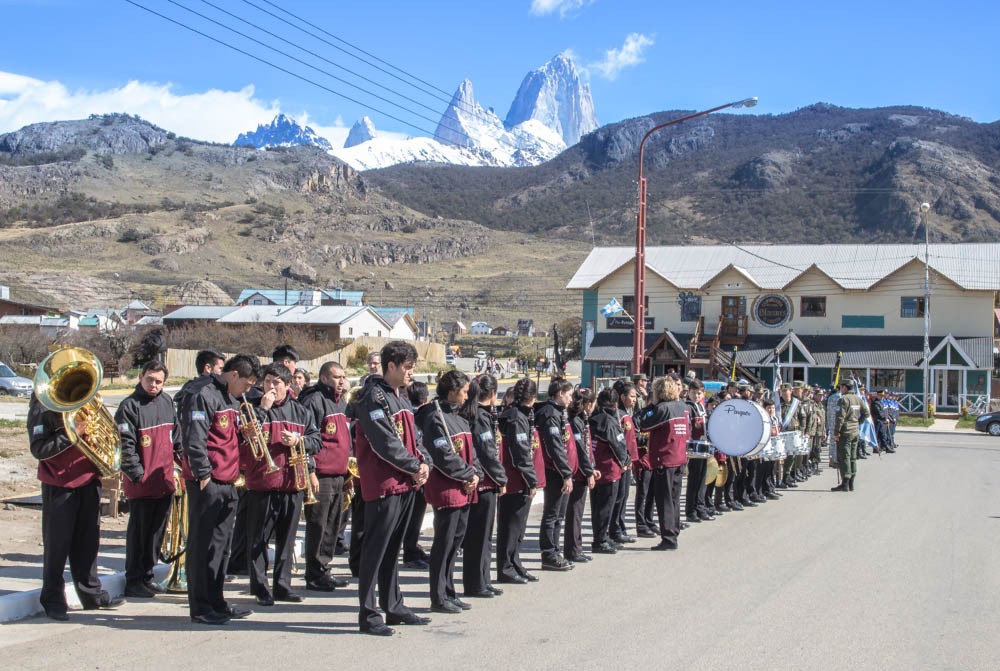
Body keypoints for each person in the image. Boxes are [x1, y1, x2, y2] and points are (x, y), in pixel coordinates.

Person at [354, 341, 430, 636]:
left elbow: (414, 439)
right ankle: (369, 614)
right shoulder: (372, 398)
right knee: (375, 551)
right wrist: (413, 466)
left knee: (392, 550)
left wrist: (423, 464)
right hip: (385, 486)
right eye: (408, 368)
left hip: (405, 484)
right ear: (391, 367)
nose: (413, 373)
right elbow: (384, 443)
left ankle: (393, 606)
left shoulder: (399, 397)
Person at [29, 389, 125, 621]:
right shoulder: (43, 404)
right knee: (57, 546)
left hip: (89, 480)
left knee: (88, 543)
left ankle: (91, 594)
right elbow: (38, 449)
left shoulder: (86, 401)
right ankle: (52, 599)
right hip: (59, 483)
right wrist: (72, 434)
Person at [179, 353, 260, 625]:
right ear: (233, 374)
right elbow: (195, 437)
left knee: (220, 547)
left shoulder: (231, 398)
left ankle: (217, 600)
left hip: (228, 480)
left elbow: (224, 435)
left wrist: (243, 435)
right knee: (202, 546)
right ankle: (201, 606)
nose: (248, 391)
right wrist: (203, 474)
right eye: (247, 384)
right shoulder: (202, 393)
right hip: (208, 482)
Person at [242, 363, 320, 606]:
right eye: (267, 382)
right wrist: (263, 409)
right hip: (262, 483)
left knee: (286, 538)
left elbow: (316, 441)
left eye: (276, 383)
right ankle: (260, 587)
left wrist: (299, 440)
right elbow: (247, 437)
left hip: (291, 482)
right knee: (258, 539)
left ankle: (282, 585)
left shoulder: (301, 412)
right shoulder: (253, 410)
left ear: (288, 386)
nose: (271, 387)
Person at [417, 371, 479, 614]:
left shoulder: (459, 417)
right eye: (464, 392)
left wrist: (475, 475)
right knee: (443, 544)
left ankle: (450, 591)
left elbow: (470, 452)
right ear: (452, 391)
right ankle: (438, 596)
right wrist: (467, 474)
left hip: (465, 487)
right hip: (447, 488)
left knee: (456, 544)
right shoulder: (435, 417)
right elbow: (443, 456)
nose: (466, 397)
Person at [116, 360, 179, 598]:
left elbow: (177, 437)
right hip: (141, 485)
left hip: (163, 482)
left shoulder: (166, 402)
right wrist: (138, 475)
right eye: (150, 379)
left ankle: (147, 575)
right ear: (141, 377)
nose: (154, 385)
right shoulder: (129, 407)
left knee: (156, 534)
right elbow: (125, 446)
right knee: (139, 534)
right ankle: (133, 579)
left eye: (159, 381)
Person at [298, 361, 352, 592]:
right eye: (336, 377)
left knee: (332, 525)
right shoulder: (314, 400)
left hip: (339, 474)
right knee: (318, 525)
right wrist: (310, 471)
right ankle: (313, 573)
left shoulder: (339, 402)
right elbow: (307, 439)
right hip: (321, 475)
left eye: (343, 376)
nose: (341, 381)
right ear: (323, 378)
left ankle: (323, 568)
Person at [461, 374, 507, 598]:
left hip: (486, 481)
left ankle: (483, 578)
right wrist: (501, 478)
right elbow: (487, 453)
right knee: (478, 536)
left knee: (485, 535)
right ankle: (475, 582)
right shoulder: (479, 416)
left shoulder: (483, 414)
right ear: (493, 394)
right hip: (484, 482)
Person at [496, 377, 542, 585]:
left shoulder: (523, 415)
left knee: (519, 526)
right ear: (532, 397)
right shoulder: (515, 417)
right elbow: (520, 452)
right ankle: (505, 567)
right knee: (510, 526)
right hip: (515, 479)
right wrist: (531, 479)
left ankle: (515, 562)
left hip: (520, 479)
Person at [639, 375, 690, 551]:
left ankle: (668, 537)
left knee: (665, 500)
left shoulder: (662, 409)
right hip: (679, 457)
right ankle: (673, 531)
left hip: (665, 459)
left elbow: (643, 424)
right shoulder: (683, 407)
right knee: (674, 499)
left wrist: (651, 406)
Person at [535, 376, 577, 571]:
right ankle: (549, 553)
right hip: (554, 471)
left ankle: (555, 550)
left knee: (559, 514)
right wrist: (566, 473)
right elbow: (554, 447)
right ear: (559, 394)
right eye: (568, 395)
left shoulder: (559, 413)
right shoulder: (549, 414)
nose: (571, 399)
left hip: (561, 470)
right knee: (552, 514)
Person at [588, 389, 627, 554]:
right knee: (606, 507)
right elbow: (618, 445)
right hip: (609, 469)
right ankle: (600, 540)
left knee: (597, 507)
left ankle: (601, 537)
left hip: (595, 467)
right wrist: (625, 461)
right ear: (615, 404)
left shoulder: (592, 418)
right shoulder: (610, 421)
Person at [402, 381, 432, 569]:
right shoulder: (423, 416)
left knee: (414, 515)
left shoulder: (412, 414)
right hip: (416, 470)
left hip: (418, 468)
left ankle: (412, 547)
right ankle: (410, 551)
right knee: (414, 515)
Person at [564, 387, 597, 564]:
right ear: (587, 404)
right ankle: (572, 550)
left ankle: (577, 547)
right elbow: (581, 450)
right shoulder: (575, 421)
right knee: (575, 513)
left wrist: (593, 467)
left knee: (577, 512)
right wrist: (588, 471)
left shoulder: (581, 420)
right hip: (578, 473)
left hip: (582, 471)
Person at [610, 379, 639, 545]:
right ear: (622, 397)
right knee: (619, 497)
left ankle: (620, 526)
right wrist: (625, 460)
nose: (634, 400)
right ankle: (615, 530)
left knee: (624, 495)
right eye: (632, 396)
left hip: (629, 462)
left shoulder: (627, 414)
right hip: (621, 462)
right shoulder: (618, 415)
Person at [832, 380, 870, 492]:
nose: (840, 389)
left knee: (845, 457)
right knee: (853, 457)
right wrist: (858, 422)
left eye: (841, 387)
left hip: (845, 432)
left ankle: (845, 483)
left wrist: (836, 432)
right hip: (855, 431)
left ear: (845, 387)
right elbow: (866, 413)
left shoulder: (843, 399)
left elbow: (840, 418)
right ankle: (851, 482)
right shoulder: (858, 399)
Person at [684, 379, 712, 523]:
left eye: (698, 393)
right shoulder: (688, 407)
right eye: (693, 393)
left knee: (702, 479)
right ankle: (691, 511)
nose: (696, 395)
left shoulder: (701, 406)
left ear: (703, 394)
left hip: (703, 446)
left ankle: (700, 508)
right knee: (694, 480)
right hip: (694, 447)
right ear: (688, 392)